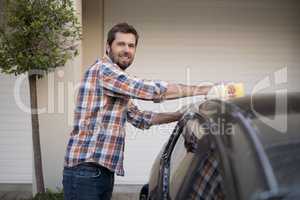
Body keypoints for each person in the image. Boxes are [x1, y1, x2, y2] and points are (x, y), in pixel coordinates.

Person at [62, 22, 213, 200]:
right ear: (108, 47)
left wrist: (179, 115)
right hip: (86, 172)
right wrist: (205, 89)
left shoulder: (116, 85)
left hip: (99, 172)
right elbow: (148, 89)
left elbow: (140, 118)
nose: (126, 49)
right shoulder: (105, 71)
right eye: (121, 44)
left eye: (131, 45)